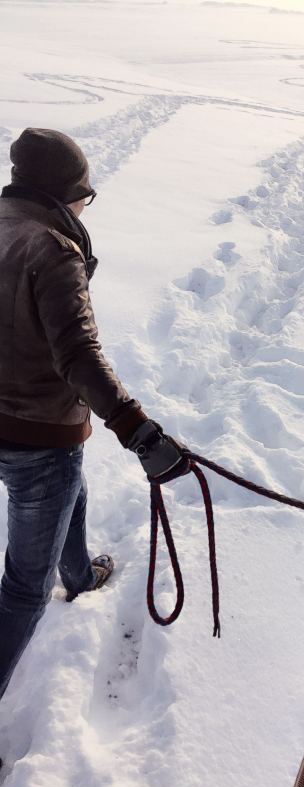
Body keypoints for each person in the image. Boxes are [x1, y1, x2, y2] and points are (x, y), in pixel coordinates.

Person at [0, 128, 186, 701]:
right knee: (25, 588)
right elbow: (77, 353)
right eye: (83, 192)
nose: (85, 202)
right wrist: (135, 427)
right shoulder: (52, 249)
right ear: (62, 193)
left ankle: (79, 575)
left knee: (68, 489)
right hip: (36, 433)